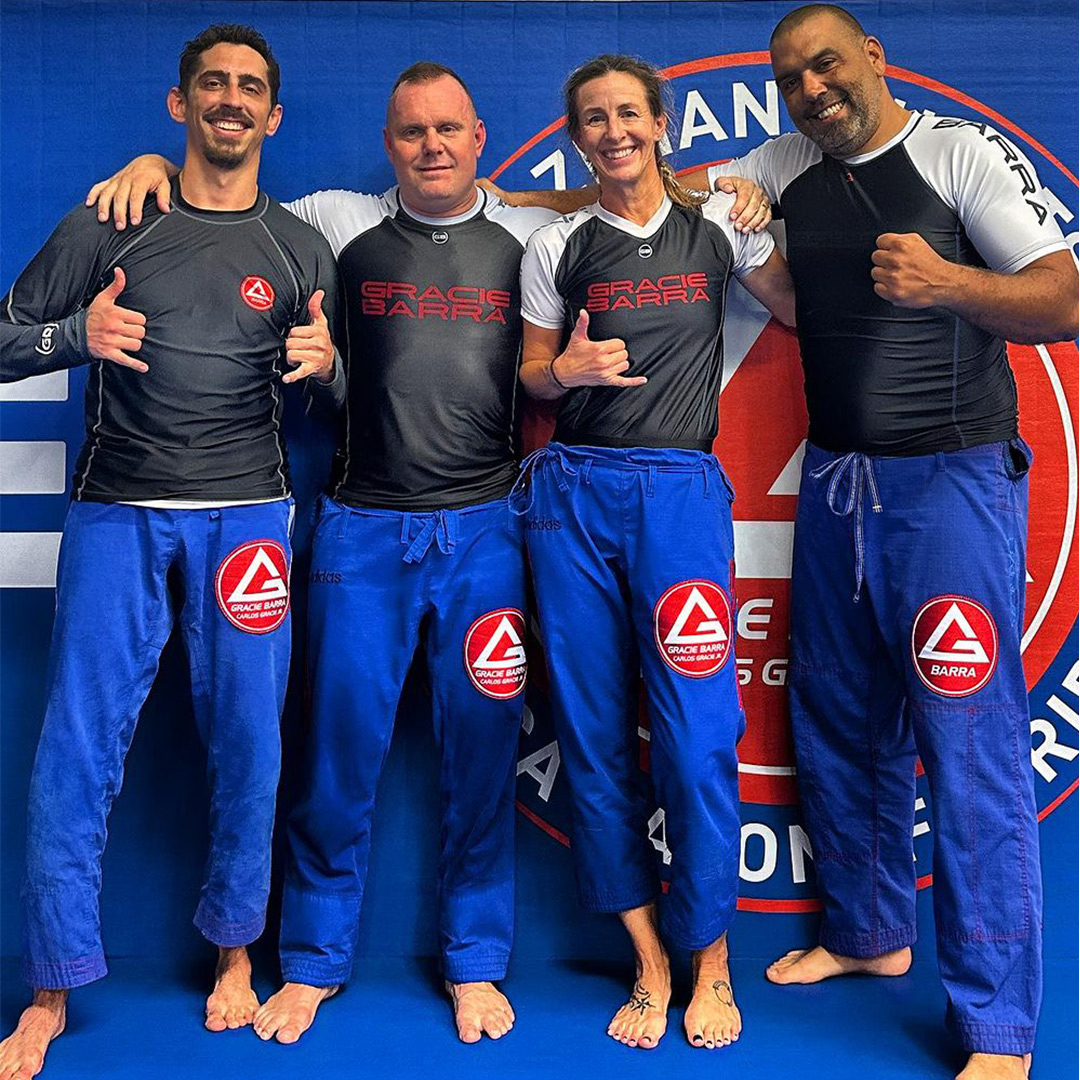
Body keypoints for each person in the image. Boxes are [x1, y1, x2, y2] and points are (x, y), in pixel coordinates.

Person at [85, 63, 770, 1049]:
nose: (432, 146)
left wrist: (708, 186)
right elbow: (224, 201)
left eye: (450, 129)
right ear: (389, 141)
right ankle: (315, 963)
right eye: (412, 132)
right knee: (335, 762)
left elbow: (604, 195)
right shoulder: (335, 219)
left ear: (480, 136)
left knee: (481, 763)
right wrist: (157, 157)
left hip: (488, 533)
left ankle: (475, 964)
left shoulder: (534, 236)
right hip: (362, 532)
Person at [684, 7, 1075, 1079]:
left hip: (951, 481)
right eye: (789, 77)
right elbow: (646, 188)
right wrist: (737, 207)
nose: (811, 89)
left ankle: (998, 1030)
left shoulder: (954, 154)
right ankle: (868, 935)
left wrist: (949, 283)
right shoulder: (783, 161)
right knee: (841, 716)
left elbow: (1064, 298)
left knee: (971, 745)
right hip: (839, 480)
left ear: (874, 62)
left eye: (827, 65)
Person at [0, 23, 342, 1080]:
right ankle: (50, 988)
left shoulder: (299, 247)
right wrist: (71, 341)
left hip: (248, 521)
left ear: (272, 117)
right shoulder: (114, 220)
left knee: (249, 742)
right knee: (75, 750)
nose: (231, 101)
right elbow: (8, 336)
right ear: (179, 104)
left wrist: (327, 365)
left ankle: (235, 953)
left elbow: (345, 398)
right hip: (116, 512)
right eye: (213, 85)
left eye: (250, 89)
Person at [515, 53, 795, 1053]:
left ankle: (712, 957)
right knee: (592, 737)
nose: (613, 131)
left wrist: (760, 210)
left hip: (678, 494)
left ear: (662, 124)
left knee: (694, 735)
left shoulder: (715, 224)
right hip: (574, 498)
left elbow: (797, 306)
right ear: (576, 136)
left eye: (628, 113)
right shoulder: (558, 243)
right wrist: (566, 371)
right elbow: (533, 373)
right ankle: (649, 960)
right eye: (592, 118)